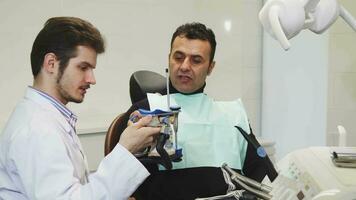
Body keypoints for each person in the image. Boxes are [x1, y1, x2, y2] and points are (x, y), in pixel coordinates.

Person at [0, 17, 160, 200]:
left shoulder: (45, 118)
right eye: (83, 67)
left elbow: (72, 190)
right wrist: (125, 150)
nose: (92, 79)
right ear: (51, 63)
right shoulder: (37, 129)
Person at [116, 22, 273, 199]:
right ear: (169, 58)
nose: (184, 66)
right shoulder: (145, 111)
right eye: (178, 57)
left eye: (196, 60)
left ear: (210, 67)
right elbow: (118, 178)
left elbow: (260, 177)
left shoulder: (233, 117)